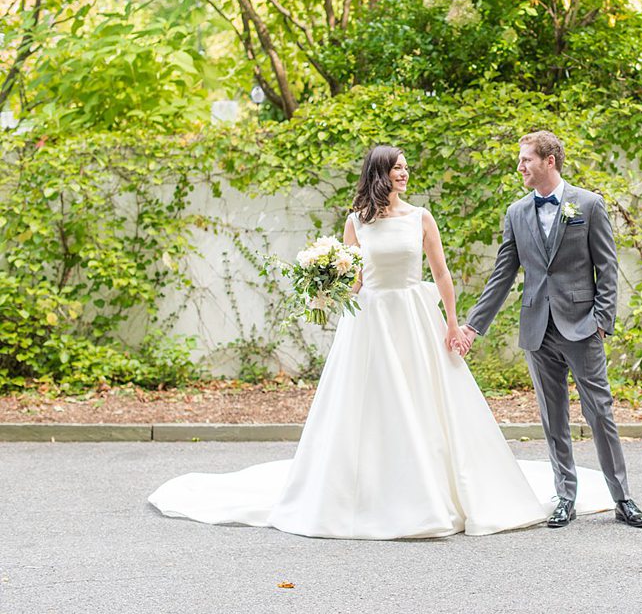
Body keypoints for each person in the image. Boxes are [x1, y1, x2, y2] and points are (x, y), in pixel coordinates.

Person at [148, 146, 612, 539]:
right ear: (380, 174)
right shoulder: (357, 222)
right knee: (367, 409)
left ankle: (437, 490)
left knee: (426, 405)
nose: (405, 173)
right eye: (398, 168)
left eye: (407, 167)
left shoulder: (421, 218)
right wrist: (323, 287)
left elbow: (442, 274)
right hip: (370, 321)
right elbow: (353, 281)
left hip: (413, 318)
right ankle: (369, 492)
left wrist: (455, 325)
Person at [461, 131, 642, 528]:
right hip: (537, 328)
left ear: (549, 161)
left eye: (526, 159)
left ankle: (623, 497)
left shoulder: (589, 205)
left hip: (582, 327)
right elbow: (502, 276)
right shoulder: (516, 213)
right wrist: (473, 326)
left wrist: (601, 321)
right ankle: (565, 496)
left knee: (600, 412)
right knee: (553, 416)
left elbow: (608, 268)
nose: (520, 166)